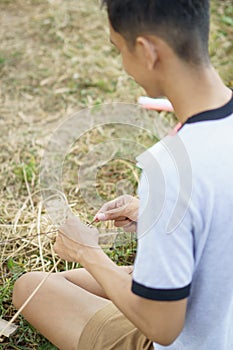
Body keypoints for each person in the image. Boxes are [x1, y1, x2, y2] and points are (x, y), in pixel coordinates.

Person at [13, 1, 233, 349]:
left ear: (146, 51)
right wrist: (154, 214)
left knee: (31, 286)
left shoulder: (171, 168)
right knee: (72, 281)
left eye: (119, 49)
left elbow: (163, 328)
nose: (122, 64)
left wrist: (88, 252)